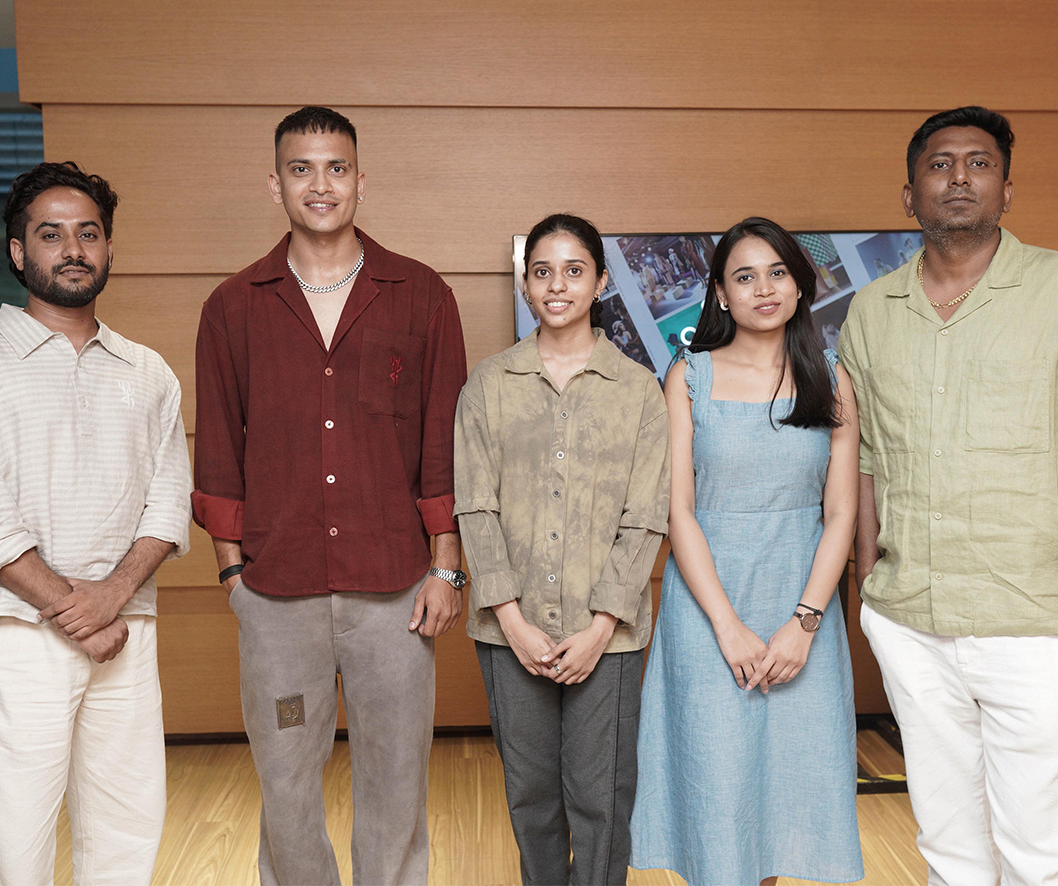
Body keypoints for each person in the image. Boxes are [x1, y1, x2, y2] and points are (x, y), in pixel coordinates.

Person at [838, 105, 1058, 886]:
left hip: (1040, 625)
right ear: (909, 195)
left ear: (1007, 188)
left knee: (1041, 851)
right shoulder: (871, 311)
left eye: (978, 162)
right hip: (911, 621)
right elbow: (863, 457)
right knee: (949, 846)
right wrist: (867, 586)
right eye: (939, 165)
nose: (958, 177)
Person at [191, 106, 468, 886]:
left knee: (397, 778)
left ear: (360, 180)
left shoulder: (421, 296)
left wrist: (446, 568)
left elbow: (442, 442)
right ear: (274, 182)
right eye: (302, 168)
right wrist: (232, 577)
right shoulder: (233, 306)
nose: (321, 184)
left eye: (336, 167)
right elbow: (218, 448)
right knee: (284, 781)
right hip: (276, 594)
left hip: (397, 588)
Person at [0, 161, 192, 885]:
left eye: (89, 233)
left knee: (125, 831)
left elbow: (169, 505)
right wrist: (76, 609)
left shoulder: (147, 372)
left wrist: (111, 599)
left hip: (125, 636)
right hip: (17, 633)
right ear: (19, 252)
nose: (73, 248)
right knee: (14, 838)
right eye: (51, 234)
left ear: (109, 248)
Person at [631, 217, 864, 886]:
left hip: (802, 613)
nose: (763, 288)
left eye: (777, 272)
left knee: (785, 794)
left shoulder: (832, 378)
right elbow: (680, 512)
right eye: (744, 276)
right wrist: (728, 628)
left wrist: (804, 624)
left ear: (800, 285)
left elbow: (841, 513)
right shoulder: (689, 376)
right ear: (721, 296)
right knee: (717, 792)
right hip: (707, 614)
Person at [454, 214, 669, 885]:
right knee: (532, 797)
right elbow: (474, 507)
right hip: (508, 631)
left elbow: (646, 518)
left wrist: (603, 624)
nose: (557, 285)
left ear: (600, 281)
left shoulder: (638, 391)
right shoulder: (488, 385)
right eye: (542, 271)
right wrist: (511, 621)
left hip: (608, 636)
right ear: (525, 284)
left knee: (601, 799)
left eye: (574, 270)